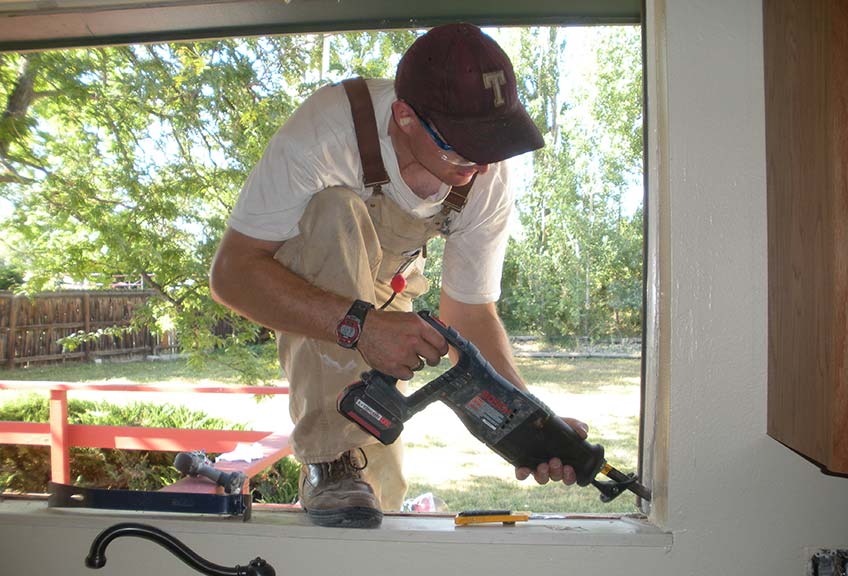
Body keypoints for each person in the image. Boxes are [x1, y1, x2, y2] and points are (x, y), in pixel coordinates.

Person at [209, 23, 588, 529]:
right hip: (315, 286)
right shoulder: (325, 134)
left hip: (394, 295)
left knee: (371, 495)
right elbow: (231, 275)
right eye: (460, 149)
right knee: (333, 211)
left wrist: (528, 420)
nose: (477, 166)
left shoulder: (483, 176)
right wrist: (361, 327)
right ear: (404, 117)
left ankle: (354, 488)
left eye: (488, 148)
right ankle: (328, 459)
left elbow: (468, 312)